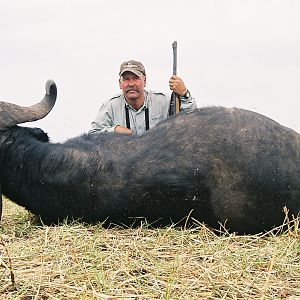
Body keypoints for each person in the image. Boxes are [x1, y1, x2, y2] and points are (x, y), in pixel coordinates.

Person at [89, 60, 197, 136]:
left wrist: (184, 93)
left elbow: (192, 117)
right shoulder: (111, 105)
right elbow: (92, 134)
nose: (131, 84)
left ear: (144, 81)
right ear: (120, 83)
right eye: (126, 79)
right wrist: (115, 130)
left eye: (136, 78)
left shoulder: (163, 101)